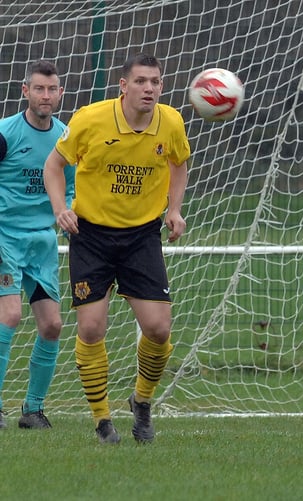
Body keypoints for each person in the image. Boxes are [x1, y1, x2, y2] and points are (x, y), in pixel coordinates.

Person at [43, 52, 191, 445]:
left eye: (156, 82)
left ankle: (141, 402)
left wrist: (174, 209)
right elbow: (54, 166)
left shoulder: (171, 122)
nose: (149, 88)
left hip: (142, 235)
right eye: (141, 81)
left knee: (158, 329)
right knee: (92, 328)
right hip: (91, 235)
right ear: (123, 86)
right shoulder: (90, 119)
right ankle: (102, 420)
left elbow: (179, 163)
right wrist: (61, 209)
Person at [0, 60, 75, 430]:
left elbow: (71, 187)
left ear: (60, 93)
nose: (46, 95)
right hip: (5, 238)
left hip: (41, 243)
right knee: (10, 315)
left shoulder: (66, 138)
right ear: (25, 91)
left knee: (52, 325)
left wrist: (70, 215)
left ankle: (33, 410)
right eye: (39, 89)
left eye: (53, 89)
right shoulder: (5, 133)